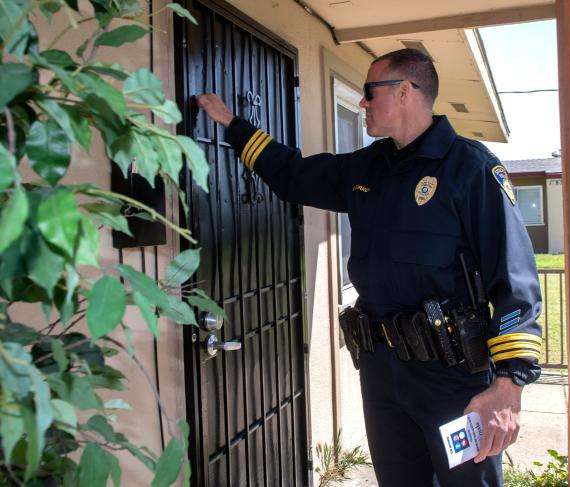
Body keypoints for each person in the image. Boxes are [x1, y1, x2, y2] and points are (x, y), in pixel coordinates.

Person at [197, 48, 542, 487]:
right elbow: (293, 175)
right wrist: (232, 124)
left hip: (453, 378)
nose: (361, 103)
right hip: (383, 372)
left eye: (368, 91)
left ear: (403, 92)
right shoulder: (367, 168)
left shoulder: (469, 168)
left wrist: (510, 383)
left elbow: (514, 279)